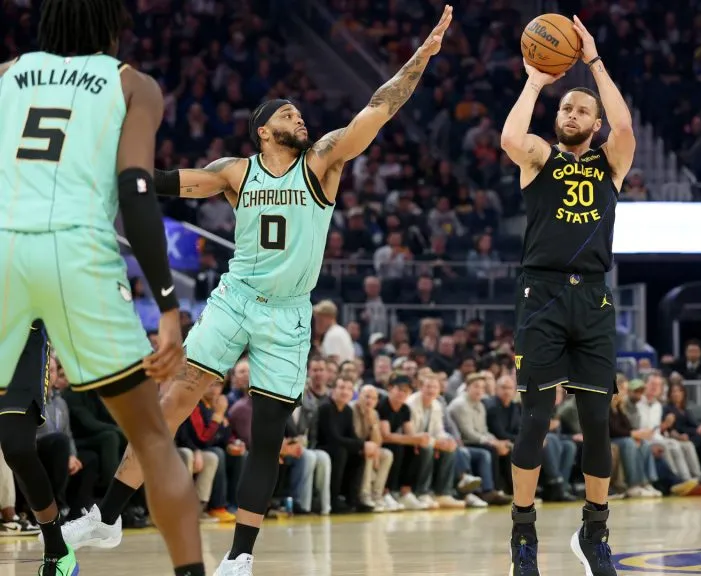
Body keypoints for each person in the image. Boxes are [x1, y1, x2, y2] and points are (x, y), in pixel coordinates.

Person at [59, 7, 454, 575]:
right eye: (288, 114)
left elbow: (379, 108)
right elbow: (166, 184)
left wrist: (422, 56)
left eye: (299, 112)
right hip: (235, 297)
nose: (301, 118)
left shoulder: (323, 162)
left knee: (268, 432)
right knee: (172, 399)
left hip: (289, 315)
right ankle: (110, 515)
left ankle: (239, 557)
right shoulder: (235, 172)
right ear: (265, 130)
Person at [0, 1, 204, 573]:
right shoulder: (131, 84)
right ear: (112, 25)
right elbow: (136, 191)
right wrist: (167, 305)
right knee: (153, 441)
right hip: (78, 252)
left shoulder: (8, 75)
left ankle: (56, 547)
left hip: (4, 246)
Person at [499, 15, 635, 576]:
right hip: (543, 294)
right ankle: (523, 534)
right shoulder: (539, 158)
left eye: (581, 110)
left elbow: (627, 127)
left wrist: (595, 62)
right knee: (535, 419)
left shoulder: (611, 162)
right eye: (566, 108)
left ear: (596, 122)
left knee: (597, 420)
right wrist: (535, 81)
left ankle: (594, 531)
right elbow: (509, 138)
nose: (571, 114)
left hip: (594, 299)